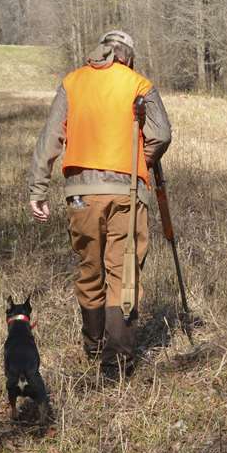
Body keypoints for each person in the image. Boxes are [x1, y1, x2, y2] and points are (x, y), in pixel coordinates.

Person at [28, 30, 172, 376]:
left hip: (80, 192)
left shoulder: (72, 82)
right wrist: (142, 159)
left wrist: (38, 189)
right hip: (127, 192)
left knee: (89, 269)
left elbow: (50, 137)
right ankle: (117, 363)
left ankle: (93, 346)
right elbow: (161, 134)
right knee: (122, 272)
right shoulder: (139, 84)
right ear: (129, 56)